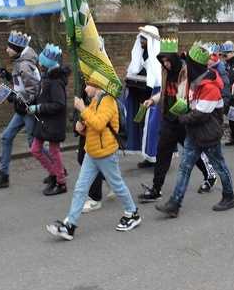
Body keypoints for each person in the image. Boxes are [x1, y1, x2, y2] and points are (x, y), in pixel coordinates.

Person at [46, 76, 142, 240]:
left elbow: (99, 124)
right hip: (92, 152)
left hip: (105, 152)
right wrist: (82, 128)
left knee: (116, 184)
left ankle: (132, 213)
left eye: (87, 86)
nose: (84, 89)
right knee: (80, 188)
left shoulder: (107, 101)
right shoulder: (95, 101)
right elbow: (93, 126)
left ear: (96, 86)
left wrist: (83, 109)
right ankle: (70, 225)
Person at [155, 42, 234, 218]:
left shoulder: (210, 86)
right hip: (193, 134)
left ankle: (229, 196)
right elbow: (191, 104)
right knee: (184, 167)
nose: (186, 66)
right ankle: (175, 203)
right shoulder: (194, 82)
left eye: (189, 63)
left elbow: (201, 113)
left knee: (220, 166)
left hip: (209, 134)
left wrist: (181, 118)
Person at [137, 38, 217, 202]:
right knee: (162, 153)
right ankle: (156, 189)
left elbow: (193, 92)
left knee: (192, 154)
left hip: (184, 119)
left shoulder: (186, 71)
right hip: (168, 119)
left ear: (173, 58)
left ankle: (209, 174)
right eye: (162, 60)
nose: (165, 63)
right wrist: (153, 99)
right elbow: (167, 92)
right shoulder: (165, 71)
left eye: (167, 60)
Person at [0, 30, 46, 189]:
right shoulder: (20, 61)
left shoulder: (24, 65)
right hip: (21, 110)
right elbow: (21, 84)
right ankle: (3, 175)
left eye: (10, 47)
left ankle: (58, 169)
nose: (7, 50)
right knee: (6, 137)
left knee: (33, 144)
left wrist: (14, 97)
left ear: (17, 49)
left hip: (28, 110)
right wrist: (8, 76)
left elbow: (33, 92)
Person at [27, 43, 70, 196]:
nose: (39, 64)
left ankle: (61, 182)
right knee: (35, 149)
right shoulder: (46, 77)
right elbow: (43, 95)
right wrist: (32, 100)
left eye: (42, 62)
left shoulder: (56, 81)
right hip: (45, 121)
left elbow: (59, 104)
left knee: (54, 151)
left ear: (47, 64)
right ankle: (53, 173)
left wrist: (38, 108)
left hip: (53, 122)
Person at [123, 25, 162, 168]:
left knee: (153, 127)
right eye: (141, 37)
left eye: (145, 38)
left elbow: (156, 78)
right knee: (142, 125)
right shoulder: (141, 53)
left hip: (152, 96)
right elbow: (136, 70)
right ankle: (148, 156)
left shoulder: (156, 55)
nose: (141, 40)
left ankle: (157, 156)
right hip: (140, 95)